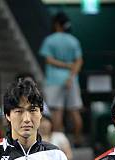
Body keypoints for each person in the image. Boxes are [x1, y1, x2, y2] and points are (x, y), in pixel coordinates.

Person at [39, 12, 84, 145]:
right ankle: (77, 140)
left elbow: (48, 60)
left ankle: (57, 142)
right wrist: (71, 76)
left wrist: (64, 65)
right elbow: (79, 61)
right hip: (72, 81)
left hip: (54, 80)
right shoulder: (74, 40)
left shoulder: (50, 40)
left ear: (57, 24)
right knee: (74, 111)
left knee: (56, 111)